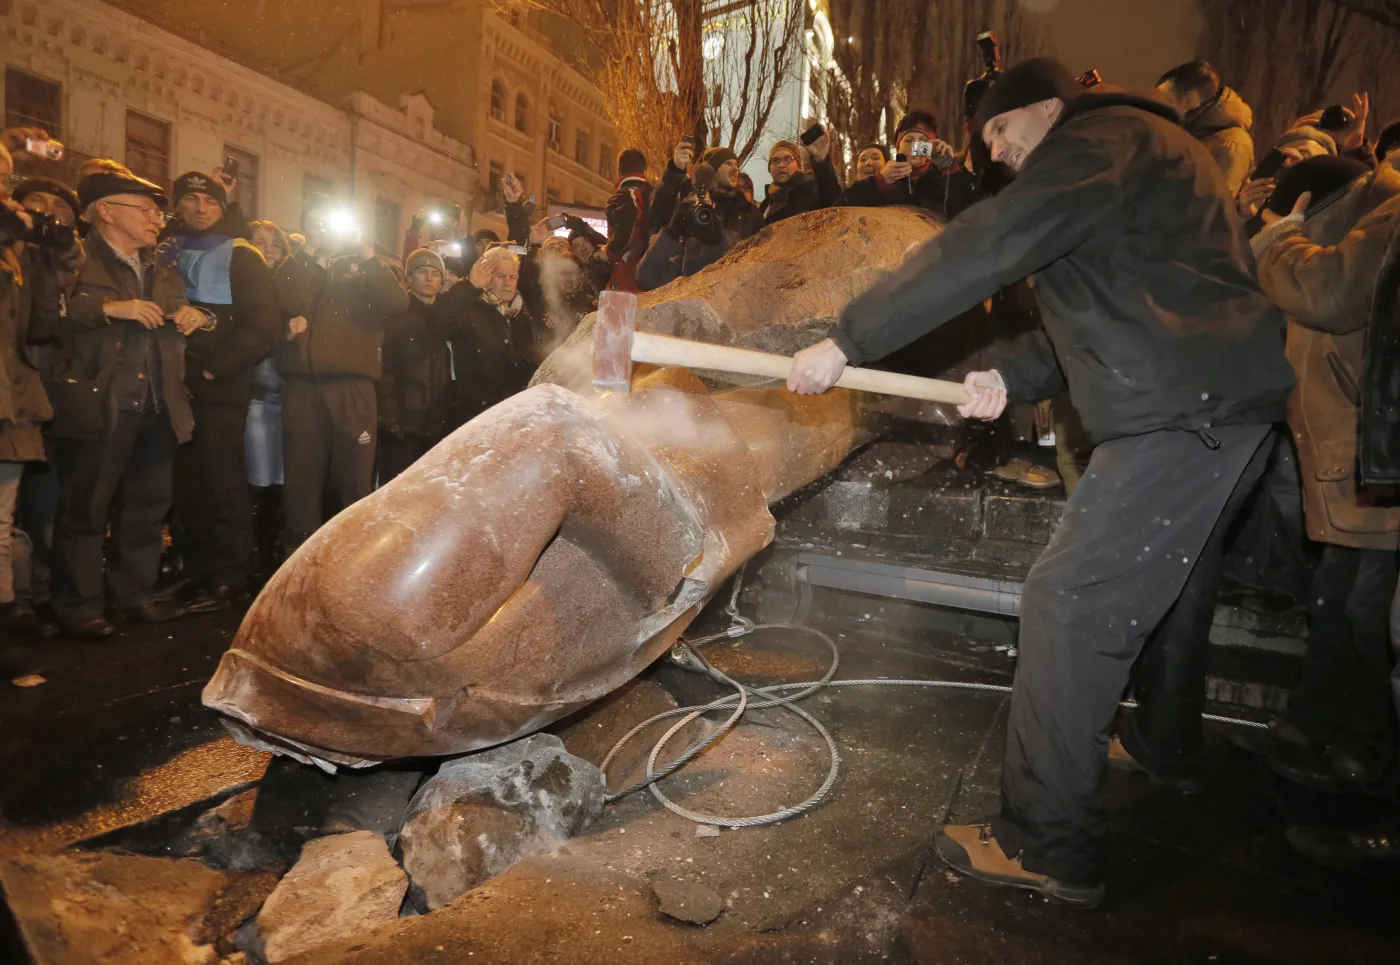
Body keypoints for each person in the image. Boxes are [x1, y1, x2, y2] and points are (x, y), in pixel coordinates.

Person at [787, 58, 1295, 907]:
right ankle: (1165, 746)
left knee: (1068, 601)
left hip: (1184, 414)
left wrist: (851, 338)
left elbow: (994, 238)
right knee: (1169, 587)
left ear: (1047, 108)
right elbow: (1116, 307)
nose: (996, 153)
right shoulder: (1148, 157)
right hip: (1219, 401)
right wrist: (1008, 379)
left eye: (1000, 130)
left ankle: (1044, 841)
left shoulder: (1100, 139)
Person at [1237, 156, 1400, 794]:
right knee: (1338, 600)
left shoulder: (1384, 210)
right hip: (1360, 456)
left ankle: (1368, 756)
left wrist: (1281, 237)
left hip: (1375, 452)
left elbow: (1331, 292)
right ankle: (1314, 726)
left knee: (1364, 610)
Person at [52, 170, 215, 639]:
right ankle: (79, 607)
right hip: (100, 401)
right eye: (143, 209)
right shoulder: (74, 259)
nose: (155, 219)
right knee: (87, 509)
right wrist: (107, 309)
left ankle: (133, 594)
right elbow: (45, 315)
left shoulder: (162, 271)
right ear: (106, 211)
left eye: (156, 211)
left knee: (147, 507)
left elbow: (198, 328)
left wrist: (196, 317)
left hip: (159, 404)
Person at [160, 171, 281, 611]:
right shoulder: (166, 251)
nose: (200, 208)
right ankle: (193, 572)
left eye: (209, 201)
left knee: (221, 481)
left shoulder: (240, 255)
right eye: (190, 199)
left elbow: (264, 327)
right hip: (169, 384)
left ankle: (229, 576)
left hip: (217, 387)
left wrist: (213, 372)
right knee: (184, 485)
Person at [274, 201, 408, 554]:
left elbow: (397, 304)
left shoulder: (364, 267)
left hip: (354, 387)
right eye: (317, 223)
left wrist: (367, 255)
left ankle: (353, 557)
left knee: (354, 483)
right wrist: (309, 252)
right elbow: (282, 297)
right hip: (302, 388)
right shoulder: (297, 264)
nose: (327, 229)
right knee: (301, 482)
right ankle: (297, 559)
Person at [0, 143, 63, 638]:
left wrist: (52, 259)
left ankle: (8, 615)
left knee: (1, 527)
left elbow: (37, 326)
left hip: (12, 400)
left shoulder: (17, 251)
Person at [429, 245, 544, 430]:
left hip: (516, 416)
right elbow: (438, 323)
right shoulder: (468, 308)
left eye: (512, 277)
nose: (507, 283)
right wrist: (469, 285)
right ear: (486, 275)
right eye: (500, 276)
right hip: (475, 418)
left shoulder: (523, 314)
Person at [377, 247, 452, 484]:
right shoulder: (396, 316)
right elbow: (386, 371)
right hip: (402, 429)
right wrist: (391, 420)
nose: (429, 278)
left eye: (435, 273)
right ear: (409, 278)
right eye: (422, 272)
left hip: (436, 428)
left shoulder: (446, 319)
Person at [245, 219, 292, 588]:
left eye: (275, 244)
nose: (269, 250)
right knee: (256, 481)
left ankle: (270, 556)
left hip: (289, 401)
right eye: (258, 242)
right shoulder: (243, 286)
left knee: (282, 483)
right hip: (256, 400)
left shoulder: (291, 289)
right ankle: (252, 557)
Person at [835, 111, 968, 215]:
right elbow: (840, 209)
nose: (914, 146)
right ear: (898, 148)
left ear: (931, 147)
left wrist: (951, 169)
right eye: (909, 141)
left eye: (922, 141)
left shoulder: (943, 179)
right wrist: (878, 182)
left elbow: (965, 212)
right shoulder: (887, 182)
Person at [1155, 61, 1255, 194]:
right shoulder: (1189, 133)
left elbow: (1219, 208)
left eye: (1166, 100)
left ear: (1190, 100)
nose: (1157, 105)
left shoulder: (1231, 144)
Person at [758, 134, 842, 225]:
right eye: (775, 161)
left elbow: (831, 197)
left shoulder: (810, 191)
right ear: (769, 169)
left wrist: (821, 162)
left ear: (798, 166)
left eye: (788, 159)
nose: (781, 165)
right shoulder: (765, 204)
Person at [604, 148, 653, 292]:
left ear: (618, 170)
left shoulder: (624, 196)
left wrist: (608, 251)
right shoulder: (654, 195)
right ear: (644, 170)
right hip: (652, 278)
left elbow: (624, 237)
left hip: (628, 279)